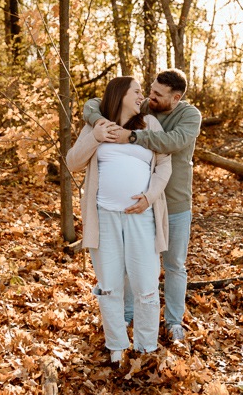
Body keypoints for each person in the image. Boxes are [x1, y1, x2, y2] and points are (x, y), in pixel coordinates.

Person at [83, 68, 201, 342]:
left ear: (176, 98)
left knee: (174, 266)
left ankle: (172, 323)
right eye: (149, 91)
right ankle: (126, 315)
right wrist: (102, 123)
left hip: (174, 203)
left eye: (158, 94)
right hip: (139, 208)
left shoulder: (189, 115)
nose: (150, 98)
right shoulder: (144, 106)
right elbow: (91, 104)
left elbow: (173, 142)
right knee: (127, 263)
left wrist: (132, 137)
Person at [68, 76, 172, 364]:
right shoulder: (96, 125)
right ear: (120, 94)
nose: (142, 96)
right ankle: (116, 347)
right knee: (110, 284)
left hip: (141, 217)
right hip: (104, 219)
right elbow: (72, 162)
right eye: (137, 91)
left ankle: (146, 347)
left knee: (146, 283)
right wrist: (95, 138)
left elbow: (164, 164)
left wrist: (149, 197)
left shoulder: (150, 125)